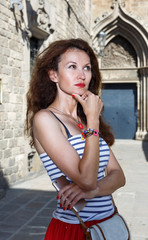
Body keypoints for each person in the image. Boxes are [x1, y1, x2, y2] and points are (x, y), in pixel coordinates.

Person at [25, 38, 126, 240]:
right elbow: (86, 179)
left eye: (87, 68)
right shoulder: (46, 119)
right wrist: (93, 120)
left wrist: (93, 191)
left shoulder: (84, 119)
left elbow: (118, 176)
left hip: (107, 225)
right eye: (72, 67)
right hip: (75, 230)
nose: (81, 75)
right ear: (54, 75)